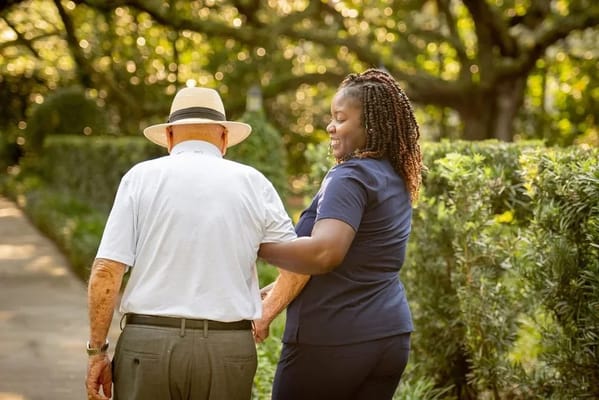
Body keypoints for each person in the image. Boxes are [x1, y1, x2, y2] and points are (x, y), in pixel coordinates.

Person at [85, 86, 296, 400]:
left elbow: (106, 271)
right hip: (228, 349)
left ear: (169, 136)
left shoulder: (140, 178)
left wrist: (97, 352)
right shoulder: (254, 183)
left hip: (148, 347)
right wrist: (266, 312)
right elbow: (297, 267)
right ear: (224, 138)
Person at [255, 68, 423, 400]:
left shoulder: (349, 176)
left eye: (341, 118)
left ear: (369, 125)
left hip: (333, 342)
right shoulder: (392, 176)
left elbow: (323, 254)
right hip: (389, 337)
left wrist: (257, 245)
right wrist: (276, 289)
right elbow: (361, 259)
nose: (331, 126)